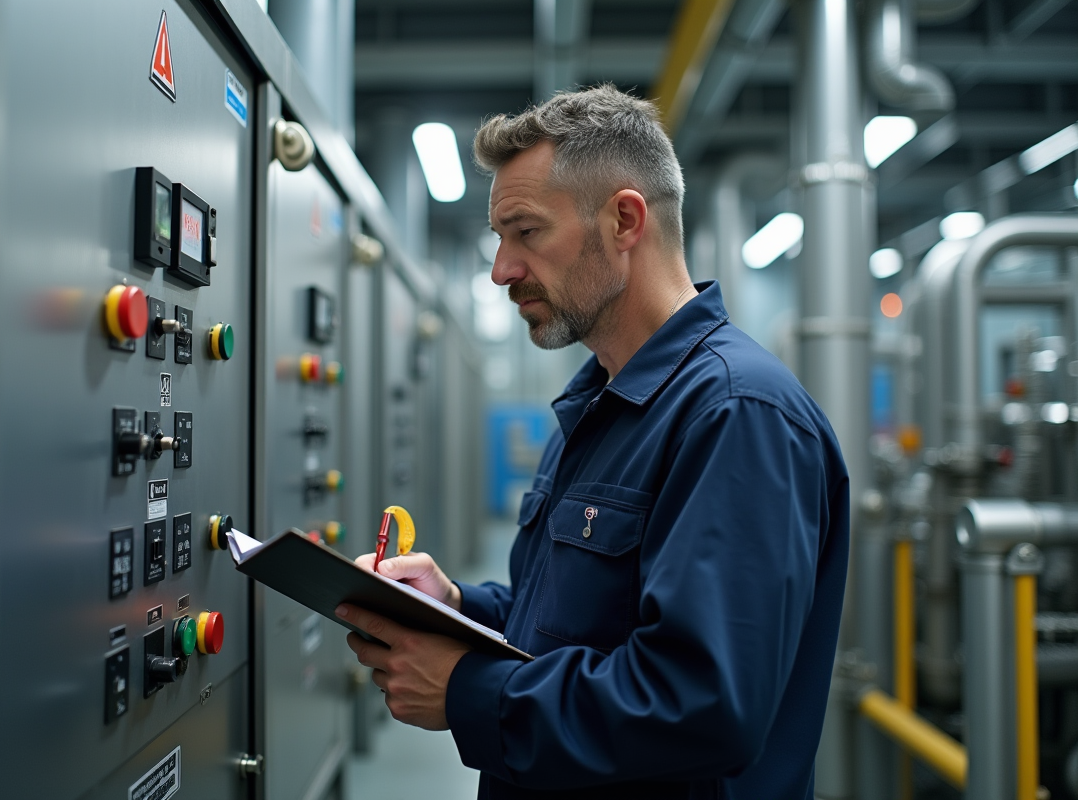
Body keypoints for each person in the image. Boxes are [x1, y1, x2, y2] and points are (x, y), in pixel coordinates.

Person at [339, 84, 850, 799]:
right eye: (500, 239)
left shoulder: (737, 414)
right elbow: (568, 624)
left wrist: (465, 690)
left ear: (624, 221)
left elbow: (701, 704)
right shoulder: (600, 404)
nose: (502, 269)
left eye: (526, 232)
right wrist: (455, 606)